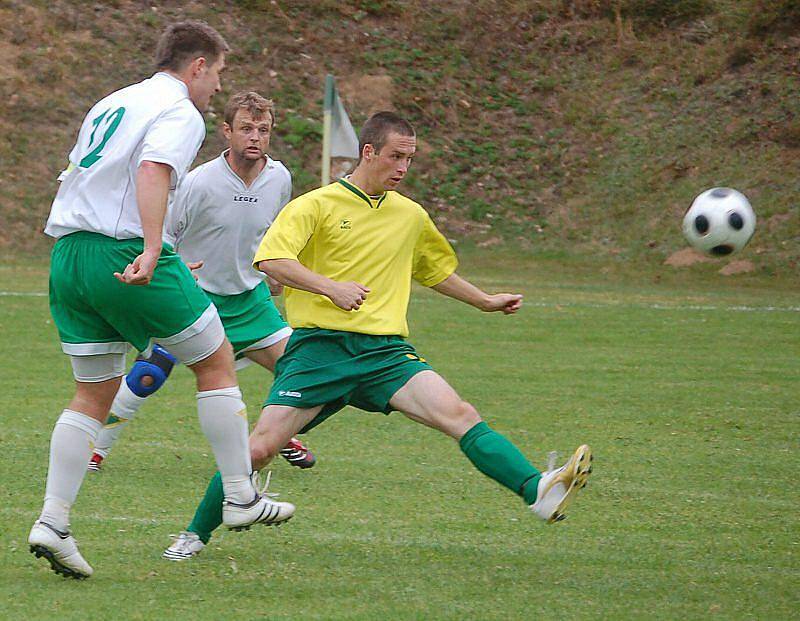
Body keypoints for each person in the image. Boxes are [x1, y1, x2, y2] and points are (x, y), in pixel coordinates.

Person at [163, 111, 593, 561]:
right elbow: (271, 260)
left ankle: (536, 492)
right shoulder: (317, 204)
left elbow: (434, 271)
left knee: (459, 414)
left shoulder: (409, 215)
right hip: (320, 350)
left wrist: (484, 301)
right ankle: (193, 535)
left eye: (410, 158)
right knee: (260, 448)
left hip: (385, 353)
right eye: (396, 157)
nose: (404, 168)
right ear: (368, 152)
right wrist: (332, 288)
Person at [29, 22, 293, 580]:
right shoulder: (178, 110)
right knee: (216, 360)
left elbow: (77, 174)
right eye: (217, 73)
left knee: (93, 391)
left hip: (69, 253)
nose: (218, 86)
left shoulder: (114, 101)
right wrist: (154, 248)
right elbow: (153, 170)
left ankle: (53, 521)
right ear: (197, 66)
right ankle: (241, 496)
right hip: (120, 248)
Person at [86, 92, 315, 478]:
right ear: (227, 131)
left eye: (263, 129)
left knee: (302, 370)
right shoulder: (200, 182)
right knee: (150, 373)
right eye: (246, 128)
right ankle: (96, 450)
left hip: (250, 300)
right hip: (197, 298)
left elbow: (275, 233)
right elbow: (165, 233)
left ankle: (273, 434)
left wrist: (274, 271)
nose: (255, 136)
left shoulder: (280, 178)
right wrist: (176, 267)